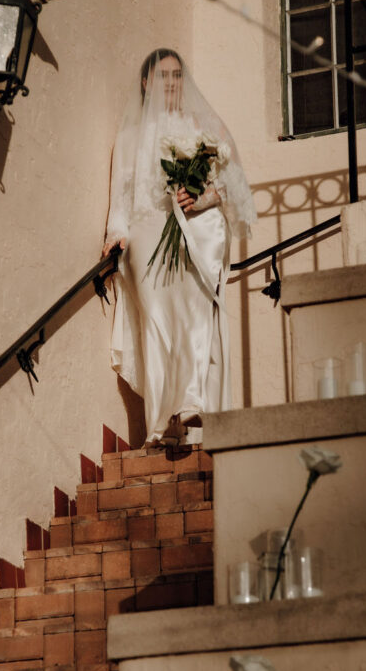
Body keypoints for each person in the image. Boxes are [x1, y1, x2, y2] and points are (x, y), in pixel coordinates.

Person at [103, 48, 256, 445]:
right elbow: (121, 194)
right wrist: (113, 234)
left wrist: (201, 198)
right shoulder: (130, 136)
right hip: (144, 230)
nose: (170, 82)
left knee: (191, 313)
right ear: (145, 83)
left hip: (188, 230)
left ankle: (189, 404)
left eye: (176, 75)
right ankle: (158, 424)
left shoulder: (202, 128)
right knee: (155, 319)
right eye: (162, 75)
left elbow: (234, 184)